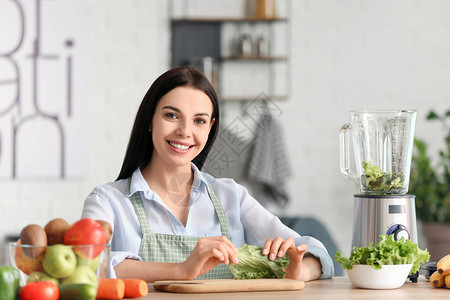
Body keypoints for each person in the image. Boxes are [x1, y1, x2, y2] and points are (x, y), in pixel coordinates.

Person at [81, 66, 334, 282]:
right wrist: (181, 270)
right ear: (150, 120)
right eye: (171, 115)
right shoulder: (108, 201)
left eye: (199, 121)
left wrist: (297, 269)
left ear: (211, 127)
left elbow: (316, 251)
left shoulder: (230, 196)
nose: (184, 131)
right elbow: (89, 266)